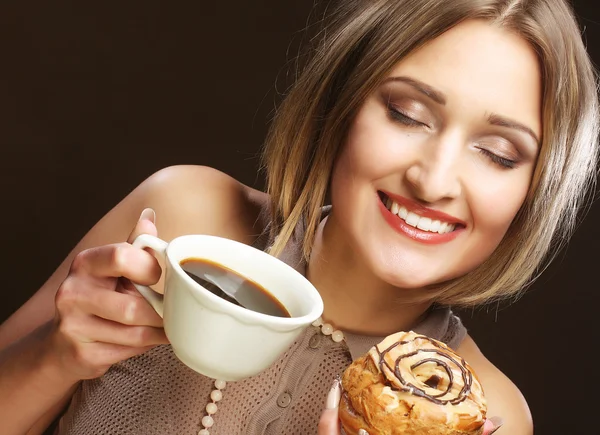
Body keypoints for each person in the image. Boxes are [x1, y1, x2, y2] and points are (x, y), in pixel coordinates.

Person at [0, 0, 598, 434]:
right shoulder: (187, 216)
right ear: (342, 105)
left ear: (534, 192)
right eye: (407, 113)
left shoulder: (485, 415)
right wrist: (54, 356)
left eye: (498, 154)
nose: (433, 180)